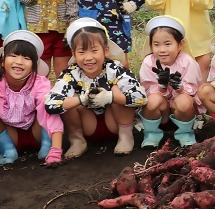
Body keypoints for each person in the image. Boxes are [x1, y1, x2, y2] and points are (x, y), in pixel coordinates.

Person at [44, 18, 148, 157]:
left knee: (117, 88)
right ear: (74, 55)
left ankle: (125, 135)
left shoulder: (116, 69)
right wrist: (81, 99)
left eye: (94, 50)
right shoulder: (70, 74)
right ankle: (77, 140)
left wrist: (111, 97)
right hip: (88, 126)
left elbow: (141, 98)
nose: (88, 57)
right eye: (82, 52)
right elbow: (50, 104)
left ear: (105, 51)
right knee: (69, 98)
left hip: (114, 123)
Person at [0, 30, 63, 167]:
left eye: (26, 58)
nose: (19, 62)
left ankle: (48, 147)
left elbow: (52, 113)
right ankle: (7, 150)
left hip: (37, 132)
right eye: (13, 56)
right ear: (2, 61)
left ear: (34, 65)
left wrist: (56, 150)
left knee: (49, 105)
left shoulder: (40, 83)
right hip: (10, 134)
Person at [137, 16, 204, 148]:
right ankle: (151, 133)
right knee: (152, 100)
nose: (162, 50)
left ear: (180, 44)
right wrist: (161, 87)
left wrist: (179, 87)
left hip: (183, 113)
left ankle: (185, 133)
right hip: (160, 115)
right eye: (156, 45)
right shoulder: (148, 62)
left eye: (168, 44)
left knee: (184, 100)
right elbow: (146, 91)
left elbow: (194, 91)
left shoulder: (187, 62)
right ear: (150, 45)